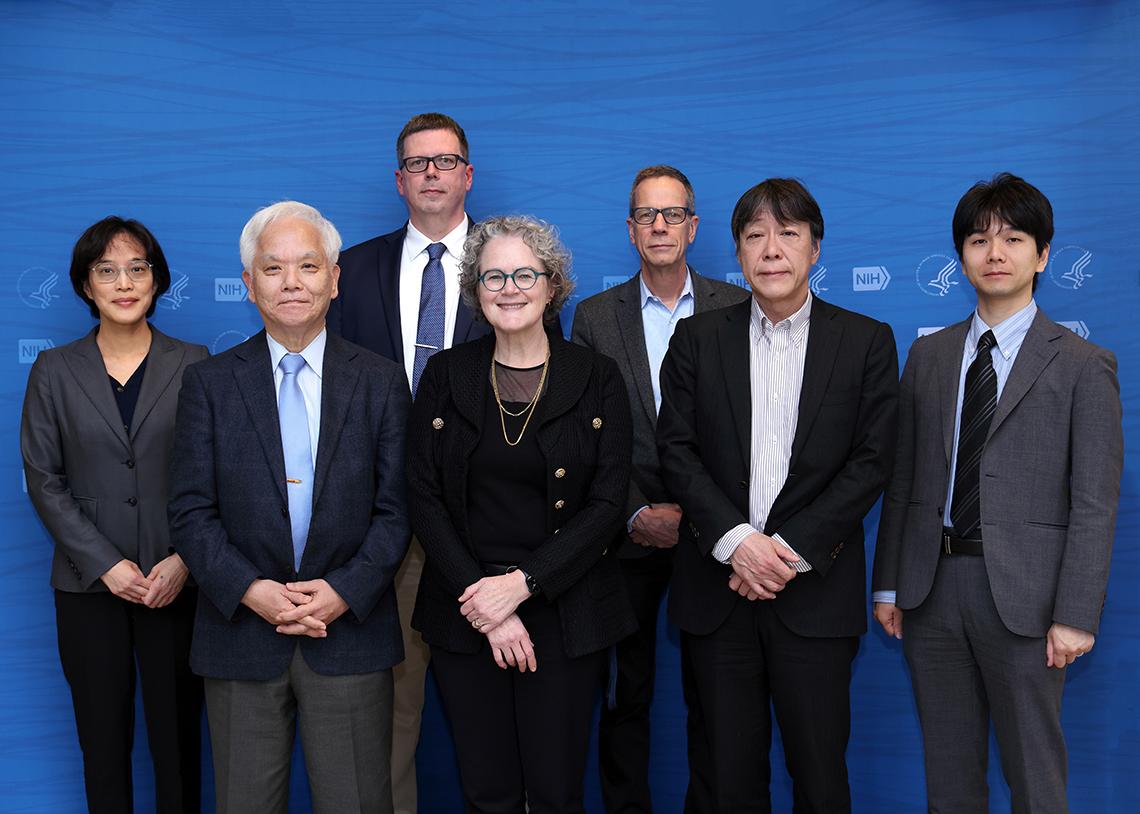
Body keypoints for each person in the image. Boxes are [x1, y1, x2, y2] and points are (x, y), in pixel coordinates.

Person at [872, 173, 1123, 814]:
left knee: (1035, 778)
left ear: (1042, 255)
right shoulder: (928, 357)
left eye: (1013, 238)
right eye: (979, 240)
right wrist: (889, 584)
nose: (995, 253)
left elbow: (1095, 502)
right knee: (949, 779)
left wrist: (1076, 614)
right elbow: (904, 480)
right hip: (932, 590)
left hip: (1029, 601)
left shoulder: (1083, 364)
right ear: (961, 257)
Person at [656, 178, 899, 813]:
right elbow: (676, 452)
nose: (771, 249)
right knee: (725, 782)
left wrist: (783, 551)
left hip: (814, 597)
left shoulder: (865, 341)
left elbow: (871, 462)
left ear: (815, 248)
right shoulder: (697, 339)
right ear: (737, 251)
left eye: (788, 233)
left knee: (820, 779)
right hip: (718, 597)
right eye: (755, 235)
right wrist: (738, 544)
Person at [169, 201, 411, 814]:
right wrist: (251, 590)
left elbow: (399, 509)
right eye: (273, 268)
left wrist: (344, 590)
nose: (292, 283)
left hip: (349, 633)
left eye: (308, 265)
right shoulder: (209, 384)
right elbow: (191, 512)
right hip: (241, 636)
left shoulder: (381, 382)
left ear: (334, 278)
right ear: (249, 285)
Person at [407, 215, 637, 813]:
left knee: (557, 794)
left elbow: (608, 503)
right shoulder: (445, 374)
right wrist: (486, 604)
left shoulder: (597, 377)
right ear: (476, 291)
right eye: (494, 277)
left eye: (524, 275)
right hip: (465, 611)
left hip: (566, 613)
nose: (509, 289)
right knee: (488, 793)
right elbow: (423, 496)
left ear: (551, 284)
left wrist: (521, 587)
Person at [571, 165, 747, 813]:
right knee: (626, 697)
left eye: (673, 214)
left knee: (718, 699)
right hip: (628, 537)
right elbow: (585, 437)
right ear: (630, 229)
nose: (660, 226)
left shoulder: (735, 307)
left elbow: (752, 431)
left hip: (718, 536)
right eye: (647, 215)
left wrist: (709, 517)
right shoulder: (595, 318)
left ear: (693, 227)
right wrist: (633, 511)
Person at [328, 112, 489, 812]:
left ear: (467, 175)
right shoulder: (352, 269)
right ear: (399, 180)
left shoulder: (511, 264)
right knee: (388, 718)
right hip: (382, 529)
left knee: (497, 713)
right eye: (418, 163)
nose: (431, 173)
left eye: (444, 161)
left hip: (486, 529)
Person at [20, 216, 206, 813]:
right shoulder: (54, 369)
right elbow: (44, 479)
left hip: (174, 583)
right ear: (86, 285)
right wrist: (105, 564)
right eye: (107, 271)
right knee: (102, 745)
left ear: (157, 280)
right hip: (87, 587)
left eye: (137, 269)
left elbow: (215, 476)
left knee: (179, 746)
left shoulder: (196, 362)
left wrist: (183, 559)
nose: (124, 283)